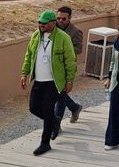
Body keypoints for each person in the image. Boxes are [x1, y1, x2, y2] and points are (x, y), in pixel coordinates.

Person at [19, 11, 77, 156]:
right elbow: (29, 55)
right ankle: (55, 122)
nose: (41, 25)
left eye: (44, 23)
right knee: (33, 108)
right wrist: (24, 73)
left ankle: (45, 143)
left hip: (54, 82)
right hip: (38, 81)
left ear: (53, 23)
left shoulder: (63, 38)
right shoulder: (35, 36)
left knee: (47, 109)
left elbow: (70, 61)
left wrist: (70, 80)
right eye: (39, 22)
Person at [53, 6, 83, 138]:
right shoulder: (53, 29)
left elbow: (79, 49)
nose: (60, 21)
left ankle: (56, 124)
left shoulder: (76, 32)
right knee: (59, 93)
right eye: (58, 18)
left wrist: (64, 49)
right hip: (54, 67)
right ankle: (74, 107)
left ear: (69, 18)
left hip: (67, 67)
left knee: (60, 94)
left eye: (63, 19)